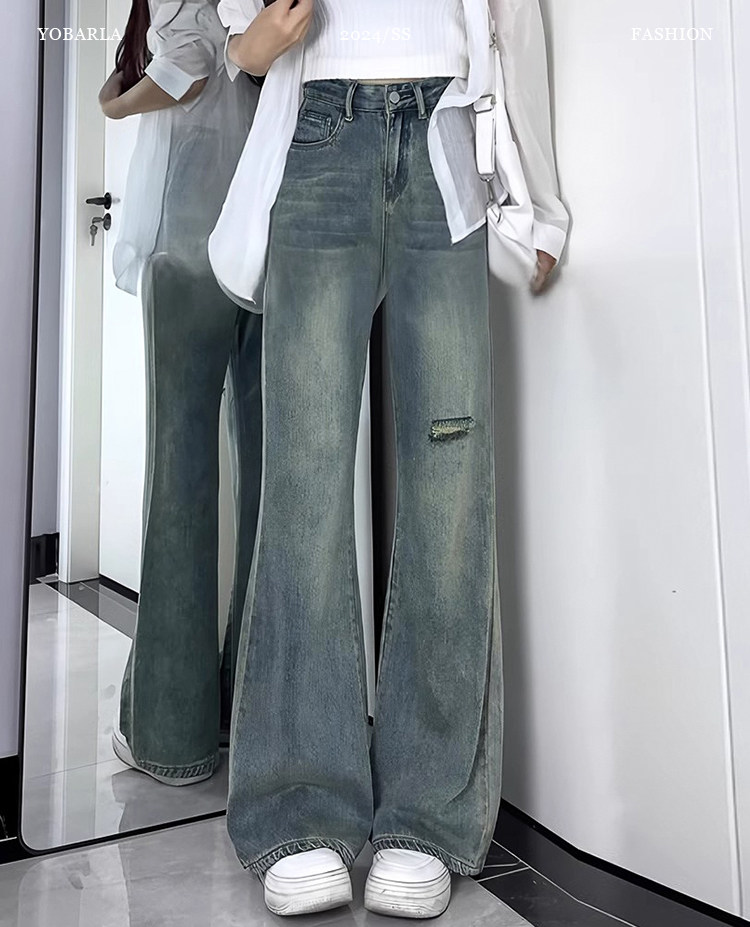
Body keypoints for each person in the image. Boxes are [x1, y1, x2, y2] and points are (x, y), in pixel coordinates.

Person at [212, 0, 569, 915]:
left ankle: (429, 813)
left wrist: (543, 202)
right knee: (303, 479)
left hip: (447, 127)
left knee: (450, 477)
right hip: (320, 132)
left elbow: (515, 18)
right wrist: (248, 44)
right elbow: (243, 26)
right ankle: (298, 804)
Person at [97, 0, 263, 786]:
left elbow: (189, 66)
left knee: (180, 481)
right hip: (271, 233)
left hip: (192, 233)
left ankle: (171, 731)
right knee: (271, 485)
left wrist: (114, 103)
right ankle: (249, 713)